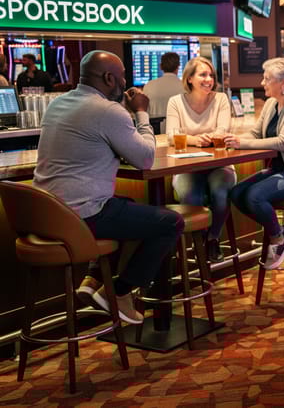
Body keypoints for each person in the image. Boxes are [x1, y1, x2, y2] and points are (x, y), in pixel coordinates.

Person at [34, 50, 183, 324]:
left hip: (46, 214)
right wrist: (141, 113)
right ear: (108, 78)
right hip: (80, 217)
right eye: (123, 76)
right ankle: (120, 292)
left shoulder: (59, 103)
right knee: (170, 222)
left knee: (126, 207)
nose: (125, 81)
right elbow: (146, 159)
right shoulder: (108, 110)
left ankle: (93, 280)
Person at [226, 58, 284, 270]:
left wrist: (243, 144)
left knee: (255, 196)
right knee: (236, 193)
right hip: (279, 171)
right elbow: (256, 133)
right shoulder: (270, 104)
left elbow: (283, 142)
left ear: (283, 83)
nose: (262, 82)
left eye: (267, 79)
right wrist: (235, 138)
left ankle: (279, 238)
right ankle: (279, 230)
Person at [166, 57, 236, 263]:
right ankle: (198, 242)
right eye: (203, 75)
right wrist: (197, 140)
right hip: (188, 166)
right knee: (190, 198)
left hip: (219, 164)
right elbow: (171, 135)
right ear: (189, 79)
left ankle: (212, 239)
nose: (209, 80)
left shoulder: (221, 99)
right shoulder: (175, 102)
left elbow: (223, 130)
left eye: (211, 75)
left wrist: (211, 137)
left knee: (220, 193)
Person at [142, 51, 182, 122]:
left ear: (160, 66)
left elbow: (145, 113)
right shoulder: (185, 87)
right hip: (178, 131)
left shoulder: (148, 86)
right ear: (178, 66)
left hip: (154, 131)